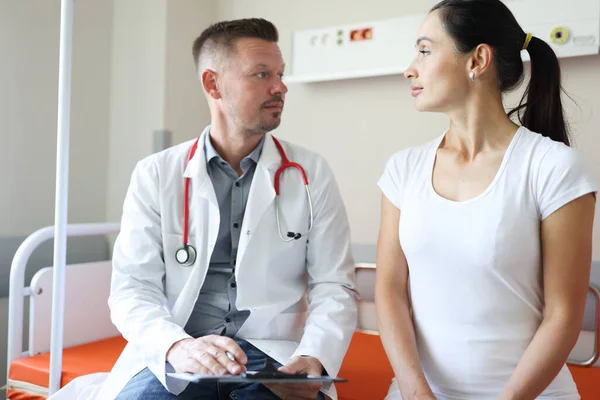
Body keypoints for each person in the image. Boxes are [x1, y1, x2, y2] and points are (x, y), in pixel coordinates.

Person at [94, 18, 358, 400]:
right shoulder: (156, 174)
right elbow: (132, 289)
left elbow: (334, 283)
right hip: (181, 351)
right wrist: (175, 347)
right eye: (262, 74)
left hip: (274, 355)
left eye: (281, 74)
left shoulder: (309, 173)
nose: (280, 87)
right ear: (212, 84)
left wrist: (313, 355)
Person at [375, 1, 597, 399]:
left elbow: (563, 315)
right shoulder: (402, 169)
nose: (410, 68)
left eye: (425, 51)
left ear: (477, 60)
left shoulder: (553, 167)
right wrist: (414, 390)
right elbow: (389, 290)